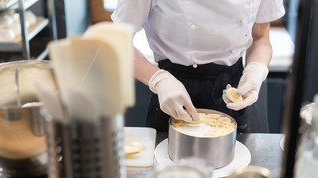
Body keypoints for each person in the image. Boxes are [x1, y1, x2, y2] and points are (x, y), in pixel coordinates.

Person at [112, 1, 285, 133]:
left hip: (234, 91)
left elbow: (261, 38)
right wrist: (160, 80)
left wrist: (256, 69)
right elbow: (117, 42)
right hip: (172, 92)